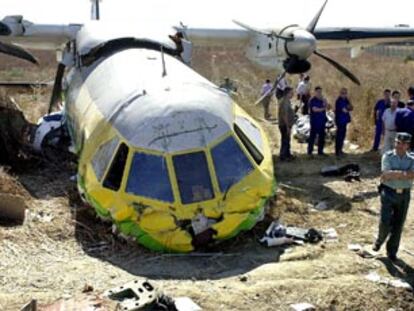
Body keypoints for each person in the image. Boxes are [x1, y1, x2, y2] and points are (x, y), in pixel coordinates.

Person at [373, 132, 414, 261]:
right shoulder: (388, 156)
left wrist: (395, 173)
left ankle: (392, 251)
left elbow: (413, 175)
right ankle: (379, 240)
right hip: (388, 192)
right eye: (398, 143)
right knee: (385, 221)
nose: (400, 146)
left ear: (408, 145)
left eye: (403, 143)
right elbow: (386, 174)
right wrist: (405, 174)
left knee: (398, 224)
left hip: (404, 194)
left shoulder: (412, 159)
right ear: (395, 143)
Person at [307, 86, 328, 156]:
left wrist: (325, 103)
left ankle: (320, 151)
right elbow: (314, 109)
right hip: (314, 122)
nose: (319, 93)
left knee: (322, 137)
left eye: (320, 92)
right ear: (315, 92)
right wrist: (323, 108)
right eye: (318, 92)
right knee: (312, 137)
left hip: (322, 121)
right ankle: (310, 152)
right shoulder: (312, 100)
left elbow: (328, 107)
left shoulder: (322, 99)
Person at [278, 87, 295, 161]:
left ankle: (287, 154)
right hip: (284, 124)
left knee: (287, 140)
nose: (293, 94)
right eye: (291, 93)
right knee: (285, 140)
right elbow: (284, 115)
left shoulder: (287, 101)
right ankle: (283, 156)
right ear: (288, 93)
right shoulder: (284, 101)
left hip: (287, 124)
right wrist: (287, 126)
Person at [334, 88, 353, 156]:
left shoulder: (346, 100)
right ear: (340, 93)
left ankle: (341, 150)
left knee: (343, 136)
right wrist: (348, 108)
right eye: (342, 93)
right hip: (340, 121)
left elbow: (351, 107)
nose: (344, 95)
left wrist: (348, 107)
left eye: (345, 93)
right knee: (339, 136)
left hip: (345, 121)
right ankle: (337, 151)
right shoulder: (339, 101)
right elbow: (345, 110)